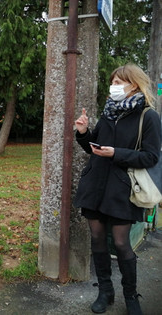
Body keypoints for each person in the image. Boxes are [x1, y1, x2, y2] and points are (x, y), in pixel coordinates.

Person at [74, 64, 160, 315]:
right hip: (95, 186)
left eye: (119, 82)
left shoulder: (148, 116)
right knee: (98, 239)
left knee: (122, 244)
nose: (114, 87)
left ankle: (131, 296)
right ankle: (105, 292)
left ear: (134, 84)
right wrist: (83, 133)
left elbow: (151, 157)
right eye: (112, 82)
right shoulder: (109, 113)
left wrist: (117, 154)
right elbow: (95, 148)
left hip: (123, 190)